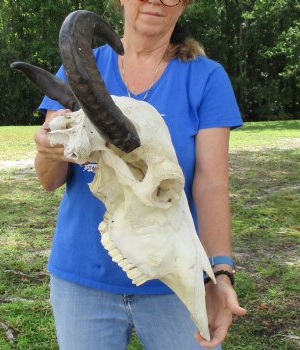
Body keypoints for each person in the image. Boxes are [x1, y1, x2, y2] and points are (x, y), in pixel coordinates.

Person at [34, 1, 246, 349]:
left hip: (176, 282)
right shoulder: (79, 69)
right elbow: (49, 179)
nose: (156, 1)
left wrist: (219, 272)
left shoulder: (206, 77)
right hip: (82, 281)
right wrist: (47, 151)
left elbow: (211, 185)